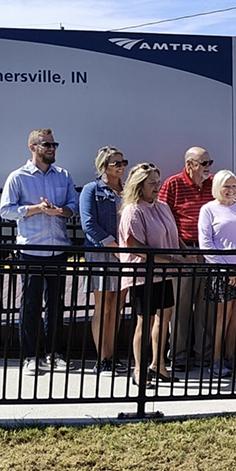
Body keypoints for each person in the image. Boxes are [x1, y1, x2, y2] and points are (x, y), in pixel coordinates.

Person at [0, 129, 79, 377]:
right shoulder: (18, 177)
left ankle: (54, 353)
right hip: (31, 249)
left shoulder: (63, 175)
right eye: (47, 144)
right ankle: (30, 356)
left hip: (58, 248)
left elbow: (74, 206)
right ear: (33, 147)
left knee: (56, 304)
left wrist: (60, 210)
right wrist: (36, 209)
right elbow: (6, 210)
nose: (52, 148)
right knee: (30, 304)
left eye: (54, 144)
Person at [118, 163, 192, 387]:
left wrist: (185, 253)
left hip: (165, 273)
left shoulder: (162, 207)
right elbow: (136, 246)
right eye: (151, 183)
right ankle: (139, 370)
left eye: (158, 182)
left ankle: (158, 364)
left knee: (164, 316)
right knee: (145, 320)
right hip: (143, 274)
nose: (156, 187)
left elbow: (173, 234)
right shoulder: (133, 210)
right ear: (139, 185)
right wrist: (172, 260)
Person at [157, 146, 215, 371]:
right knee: (180, 306)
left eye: (209, 162)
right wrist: (180, 250)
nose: (208, 167)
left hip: (208, 251)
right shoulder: (173, 184)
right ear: (190, 164)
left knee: (206, 306)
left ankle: (204, 355)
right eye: (204, 163)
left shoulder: (213, 184)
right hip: (183, 252)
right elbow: (164, 218)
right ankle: (178, 355)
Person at [79, 146, 128, 375]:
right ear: (103, 166)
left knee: (117, 306)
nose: (121, 167)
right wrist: (114, 247)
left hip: (124, 253)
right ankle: (102, 358)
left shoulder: (127, 191)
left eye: (123, 162)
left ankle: (111, 354)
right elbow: (89, 224)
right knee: (104, 306)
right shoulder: (92, 189)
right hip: (102, 252)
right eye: (116, 163)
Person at [198, 170, 236, 379]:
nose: (231, 190)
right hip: (220, 270)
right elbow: (206, 243)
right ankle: (216, 359)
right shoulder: (208, 209)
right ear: (218, 187)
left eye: (234, 186)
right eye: (226, 186)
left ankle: (230, 355)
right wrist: (226, 270)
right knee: (221, 316)